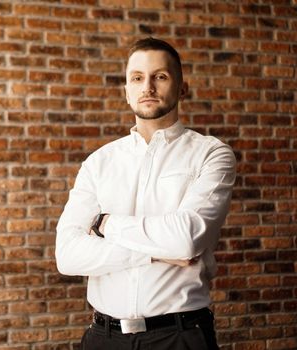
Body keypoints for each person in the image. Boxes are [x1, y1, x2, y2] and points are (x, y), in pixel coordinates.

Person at [55, 37, 236, 350]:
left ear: (182, 88)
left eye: (160, 76)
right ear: (127, 91)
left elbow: (185, 239)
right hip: (103, 338)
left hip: (179, 336)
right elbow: (68, 255)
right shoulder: (99, 163)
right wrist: (150, 252)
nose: (147, 87)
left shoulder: (211, 154)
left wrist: (106, 224)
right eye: (137, 78)